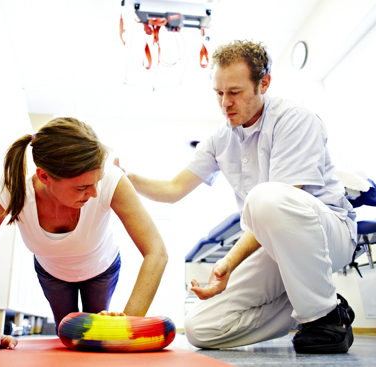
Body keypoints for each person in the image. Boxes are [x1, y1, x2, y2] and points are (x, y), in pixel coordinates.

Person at [115, 40, 357, 354]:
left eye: (235, 92)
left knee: (264, 198)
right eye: (219, 93)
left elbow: (277, 203)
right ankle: (326, 303)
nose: (225, 103)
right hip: (275, 244)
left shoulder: (295, 119)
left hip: (328, 237)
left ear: (263, 84)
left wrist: (229, 261)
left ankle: (323, 318)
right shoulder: (221, 138)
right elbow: (173, 189)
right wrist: (126, 178)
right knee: (199, 328)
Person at [0, 117, 168, 352]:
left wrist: (127, 326)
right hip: (52, 272)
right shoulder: (11, 186)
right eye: (81, 187)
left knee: (94, 342)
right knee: (68, 339)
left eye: (96, 182)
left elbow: (156, 252)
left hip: (101, 268)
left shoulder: (111, 180)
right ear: (44, 177)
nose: (94, 193)